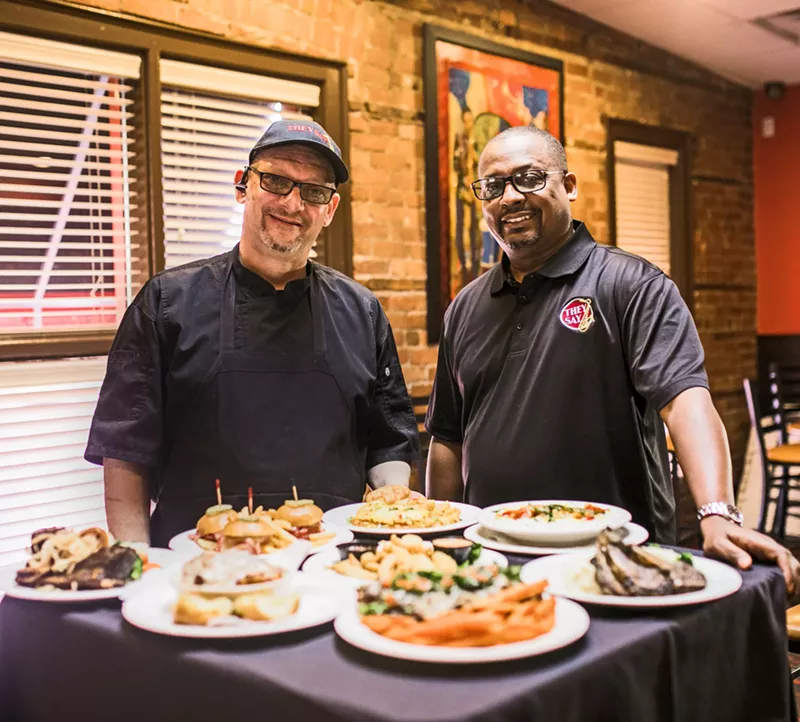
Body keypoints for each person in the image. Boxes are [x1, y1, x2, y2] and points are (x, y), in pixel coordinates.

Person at [425, 125, 800, 595]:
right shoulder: (464, 308)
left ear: (570, 185)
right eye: (494, 186)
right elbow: (447, 438)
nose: (510, 197)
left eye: (529, 178)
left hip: (615, 562)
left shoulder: (633, 285)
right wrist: (437, 537)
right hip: (494, 560)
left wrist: (718, 512)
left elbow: (685, 402)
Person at [85, 120, 418, 546]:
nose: (293, 203)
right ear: (243, 186)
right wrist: (137, 562)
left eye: (314, 191)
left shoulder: (362, 310)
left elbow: (390, 443)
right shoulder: (166, 302)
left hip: (331, 565)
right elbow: (126, 450)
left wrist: (393, 522)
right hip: (195, 571)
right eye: (276, 180)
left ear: (330, 209)